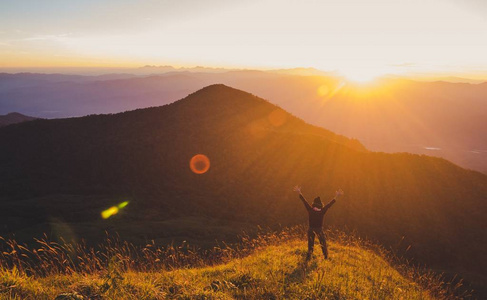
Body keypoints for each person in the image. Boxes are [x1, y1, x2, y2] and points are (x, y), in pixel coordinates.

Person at [293, 185, 343, 260]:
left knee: (310, 244)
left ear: (313, 204)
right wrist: (337, 196)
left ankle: (309, 257)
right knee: (323, 243)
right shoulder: (322, 211)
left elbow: (304, 201)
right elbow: (330, 204)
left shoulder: (310, 210)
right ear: (320, 205)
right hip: (319, 229)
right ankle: (325, 256)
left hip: (310, 229)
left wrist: (299, 192)